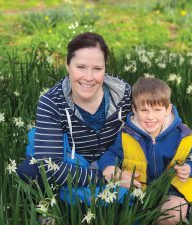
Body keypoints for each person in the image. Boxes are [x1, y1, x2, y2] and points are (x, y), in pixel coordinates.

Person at [98, 77, 192, 224]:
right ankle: (184, 212)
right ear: (134, 109)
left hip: (180, 188)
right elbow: (110, 154)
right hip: (147, 194)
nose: (150, 116)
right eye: (144, 110)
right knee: (176, 210)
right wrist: (110, 168)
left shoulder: (181, 134)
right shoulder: (127, 135)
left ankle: (191, 207)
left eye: (157, 110)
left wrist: (191, 167)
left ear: (168, 109)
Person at [17, 32, 134, 188]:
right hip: (74, 167)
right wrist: (105, 178)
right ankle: (58, 206)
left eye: (97, 68)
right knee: (30, 170)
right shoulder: (51, 102)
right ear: (67, 65)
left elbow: (159, 112)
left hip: (116, 164)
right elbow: (50, 167)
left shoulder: (123, 94)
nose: (88, 77)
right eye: (81, 67)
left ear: (105, 68)